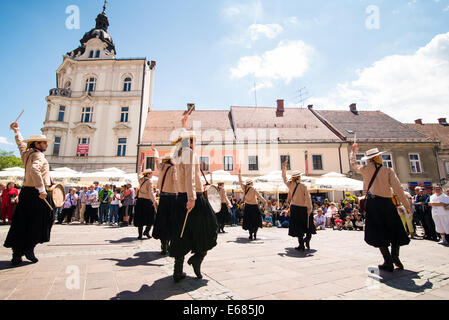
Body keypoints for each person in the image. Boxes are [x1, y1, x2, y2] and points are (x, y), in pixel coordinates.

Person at [168, 126, 218, 283]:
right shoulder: (188, 152)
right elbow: (189, 177)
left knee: (182, 233)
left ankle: (178, 271)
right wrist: (191, 198)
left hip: (181, 197)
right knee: (210, 227)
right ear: (190, 141)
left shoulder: (178, 154)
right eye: (194, 140)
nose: (195, 143)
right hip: (193, 197)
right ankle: (197, 259)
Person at [351, 144, 412, 272]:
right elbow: (398, 189)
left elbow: (354, 165)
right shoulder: (388, 170)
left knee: (378, 231)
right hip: (387, 203)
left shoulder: (365, 169)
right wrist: (406, 205)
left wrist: (353, 151)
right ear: (378, 157)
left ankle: (387, 260)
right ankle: (395, 256)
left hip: (373, 204)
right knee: (394, 229)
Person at [4, 122, 54, 265]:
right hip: (37, 193)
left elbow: (20, 144)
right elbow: (34, 169)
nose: (46, 145)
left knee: (21, 222)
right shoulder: (38, 155)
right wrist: (41, 189)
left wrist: (16, 131)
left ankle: (17, 253)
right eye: (44, 143)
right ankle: (29, 247)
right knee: (44, 220)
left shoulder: (27, 153)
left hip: (26, 192)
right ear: (37, 144)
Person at [152, 147, 178, 255]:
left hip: (163, 198)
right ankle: (170, 245)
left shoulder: (161, 167)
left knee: (163, 221)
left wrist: (155, 151)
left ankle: (163, 244)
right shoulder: (173, 169)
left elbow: (156, 159)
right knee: (173, 221)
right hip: (173, 198)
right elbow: (176, 182)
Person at [282, 160, 313, 251]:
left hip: (295, 208)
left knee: (298, 227)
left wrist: (284, 168)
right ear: (299, 177)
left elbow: (284, 177)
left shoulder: (290, 185)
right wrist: (309, 208)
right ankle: (306, 240)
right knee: (308, 226)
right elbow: (308, 198)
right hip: (304, 208)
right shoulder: (303, 186)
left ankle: (301, 245)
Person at [238, 169, 267, 241]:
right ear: (251, 183)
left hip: (247, 207)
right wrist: (264, 202)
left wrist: (239, 174)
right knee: (256, 221)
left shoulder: (244, 189)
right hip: (254, 207)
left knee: (249, 222)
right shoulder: (253, 189)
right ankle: (255, 235)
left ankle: (250, 235)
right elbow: (259, 196)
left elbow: (240, 182)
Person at [134, 169, 157, 240]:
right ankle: (146, 232)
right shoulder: (149, 181)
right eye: (151, 174)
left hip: (140, 201)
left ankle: (140, 235)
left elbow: (138, 174)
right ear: (148, 174)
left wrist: (140, 166)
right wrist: (154, 201)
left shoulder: (141, 180)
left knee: (140, 218)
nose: (152, 175)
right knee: (151, 218)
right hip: (147, 201)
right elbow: (151, 192)